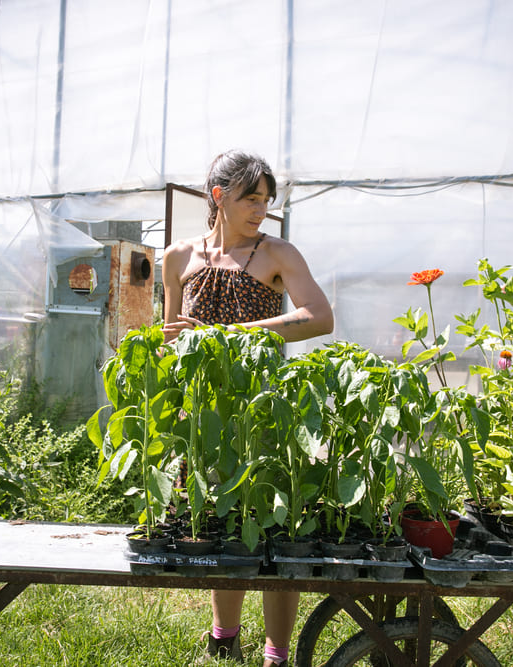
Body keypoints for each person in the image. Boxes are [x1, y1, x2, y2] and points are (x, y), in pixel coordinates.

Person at [162, 151, 334, 667]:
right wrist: (172, 346)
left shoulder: (276, 254)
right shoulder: (178, 258)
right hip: (205, 417)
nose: (261, 209)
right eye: (250, 198)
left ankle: (277, 656)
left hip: (265, 415)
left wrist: (231, 335)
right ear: (218, 197)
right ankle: (223, 639)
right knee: (222, 530)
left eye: (265, 199)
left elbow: (320, 316)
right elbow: (172, 339)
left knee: (275, 536)